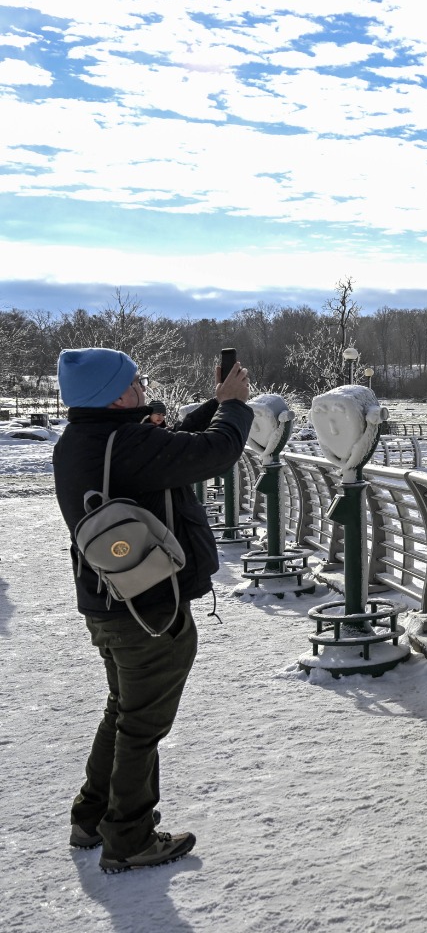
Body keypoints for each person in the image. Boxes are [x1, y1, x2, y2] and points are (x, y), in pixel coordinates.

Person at [53, 347, 253, 873]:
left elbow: (170, 446)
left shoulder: (82, 440)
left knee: (124, 709)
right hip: (149, 612)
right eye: (135, 381)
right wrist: (233, 406)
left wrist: (210, 404)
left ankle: (92, 816)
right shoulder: (127, 443)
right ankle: (130, 839)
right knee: (142, 725)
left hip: (106, 602)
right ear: (114, 395)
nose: (143, 386)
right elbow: (215, 452)